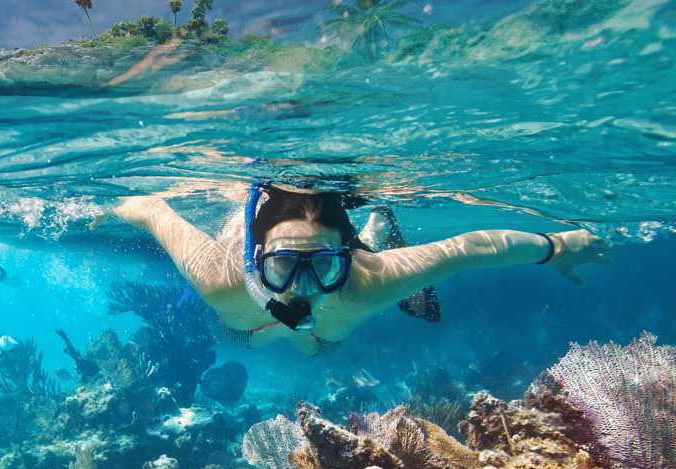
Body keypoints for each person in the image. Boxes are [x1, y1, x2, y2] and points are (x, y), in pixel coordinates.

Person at [90, 183, 613, 356]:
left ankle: (376, 228)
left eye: (322, 266)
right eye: (282, 266)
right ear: (256, 261)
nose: (301, 288)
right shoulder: (220, 278)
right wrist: (110, 208)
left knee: (317, 344)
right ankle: (373, 234)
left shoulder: (369, 279)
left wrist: (557, 245)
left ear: (347, 256)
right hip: (247, 322)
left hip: (341, 288)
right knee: (246, 335)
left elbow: (470, 247)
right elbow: (154, 208)